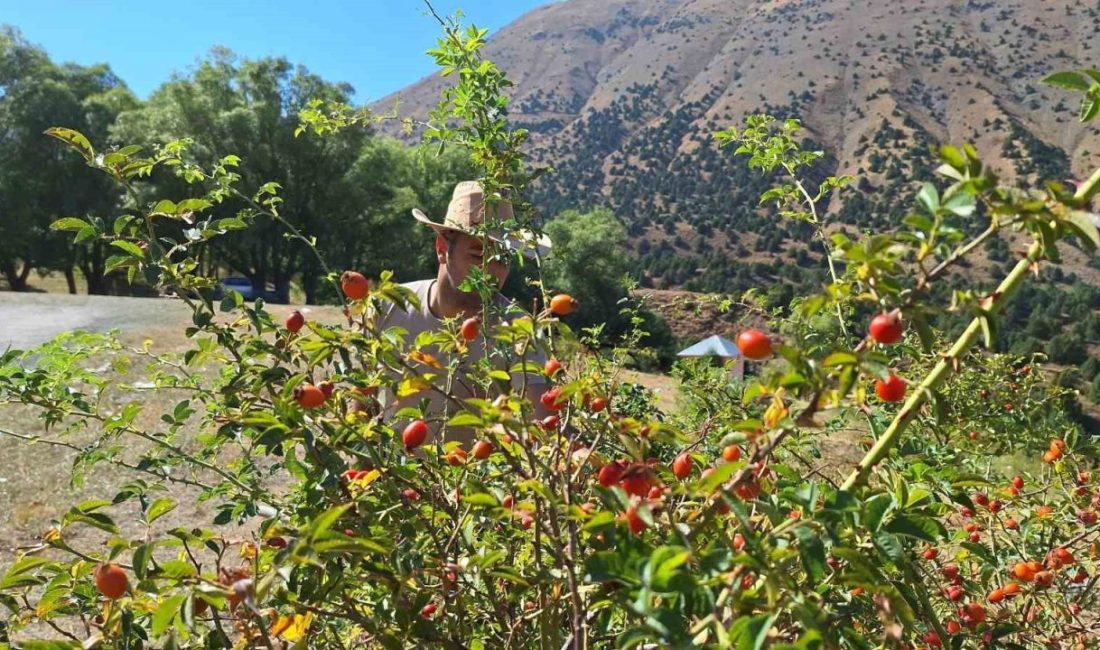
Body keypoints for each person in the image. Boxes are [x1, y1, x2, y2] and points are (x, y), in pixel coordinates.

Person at [376, 181, 553, 442]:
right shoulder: (389, 306)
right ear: (441, 249)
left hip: (471, 479)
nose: (490, 273)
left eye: (502, 260)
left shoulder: (519, 330)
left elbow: (543, 420)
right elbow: (363, 398)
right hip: (391, 477)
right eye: (477, 255)